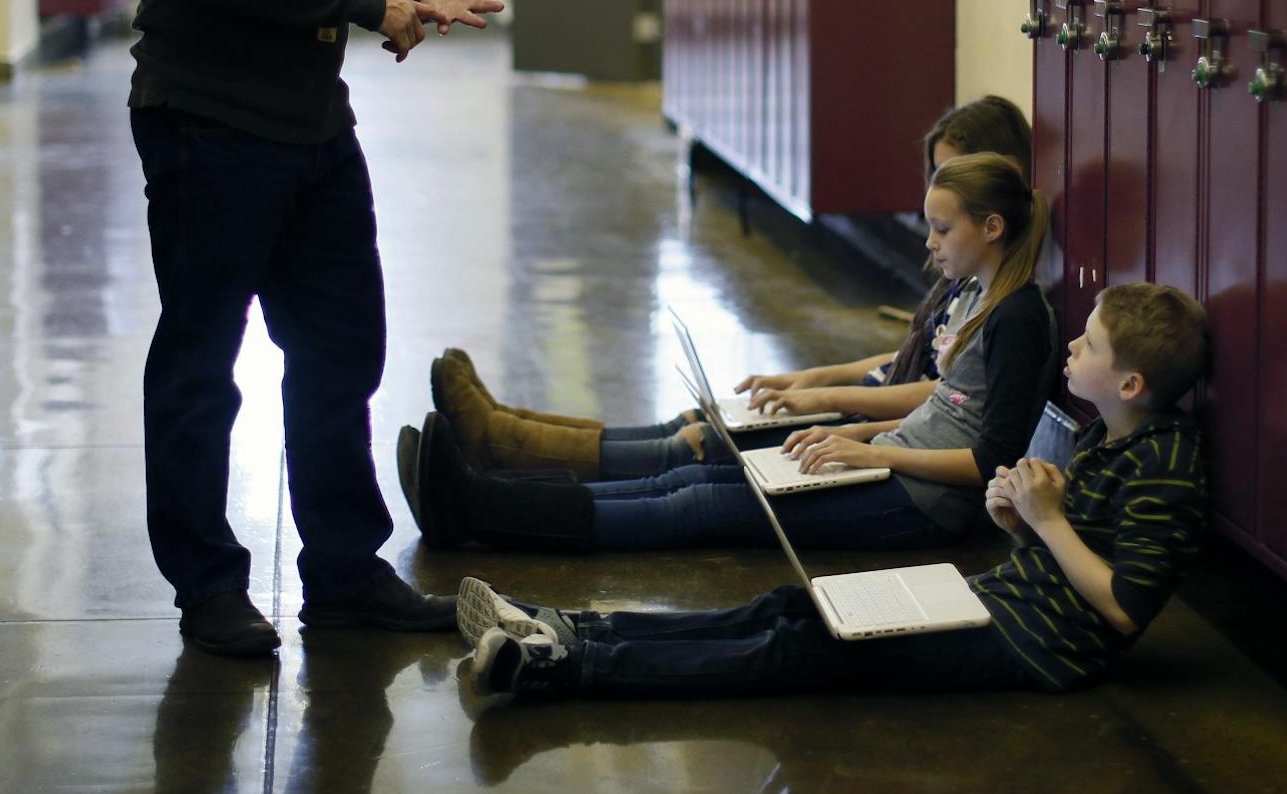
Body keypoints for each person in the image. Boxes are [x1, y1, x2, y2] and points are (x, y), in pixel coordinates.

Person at [124, 0, 509, 657]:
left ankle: (343, 574)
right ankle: (207, 588)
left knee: (341, 349)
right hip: (209, 126)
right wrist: (370, 7)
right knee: (203, 361)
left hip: (310, 128)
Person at [453, 281, 1211, 700]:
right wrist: (1018, 521)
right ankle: (571, 627)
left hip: (1035, 644)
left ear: (1131, 382)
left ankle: (568, 664)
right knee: (790, 605)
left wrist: (1044, 521)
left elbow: (1121, 605)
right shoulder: (1104, 435)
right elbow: (1059, 553)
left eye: (1090, 344)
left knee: (795, 647)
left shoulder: (1166, 469)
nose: (1072, 347)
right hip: (999, 597)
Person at [401, 152, 1058, 554]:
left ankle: (479, 508)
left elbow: (986, 456)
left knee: (698, 501)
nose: (931, 243)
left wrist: (866, 445)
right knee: (689, 477)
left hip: (921, 504)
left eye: (943, 229)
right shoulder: (979, 292)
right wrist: (858, 430)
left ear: (993, 227)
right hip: (892, 460)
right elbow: (941, 405)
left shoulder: (1019, 315)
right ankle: (492, 481)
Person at [426, 95, 1038, 479]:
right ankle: (509, 429)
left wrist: (827, 402)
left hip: (889, 431)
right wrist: (813, 379)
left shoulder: (1005, 298)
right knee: (701, 418)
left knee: (699, 443)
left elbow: (938, 392)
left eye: (951, 175)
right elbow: (916, 362)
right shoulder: (965, 274)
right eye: (935, 172)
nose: (936, 187)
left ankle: (508, 447)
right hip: (874, 412)